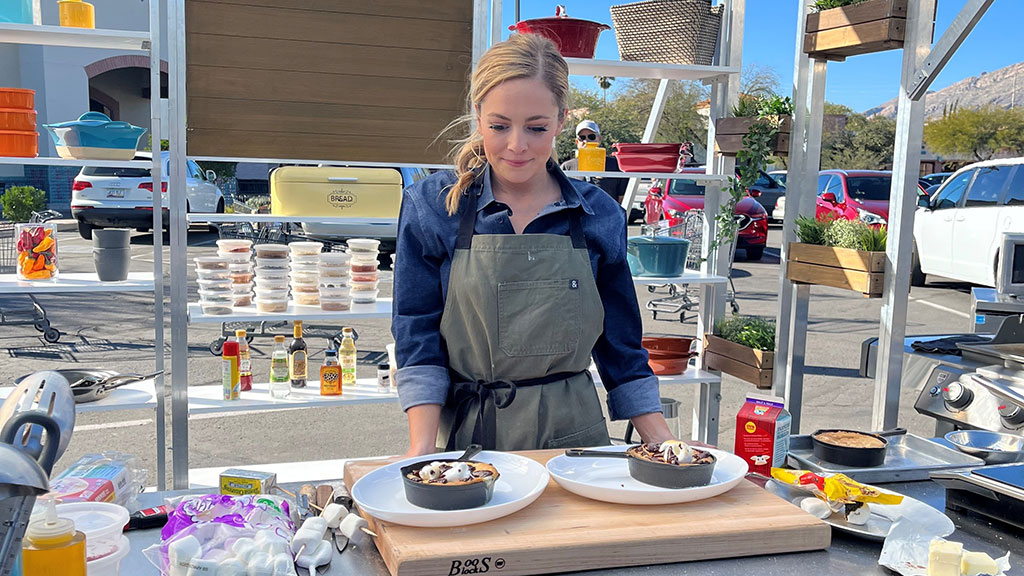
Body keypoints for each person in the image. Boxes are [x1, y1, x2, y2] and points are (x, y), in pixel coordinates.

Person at [391, 33, 673, 457]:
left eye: (536, 127)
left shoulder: (599, 215)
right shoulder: (433, 208)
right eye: (499, 126)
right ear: (478, 115)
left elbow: (620, 345)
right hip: (468, 443)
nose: (517, 145)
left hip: (576, 445)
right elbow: (418, 335)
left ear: (562, 121)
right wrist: (423, 452)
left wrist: (663, 443)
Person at [560, 120, 629, 203]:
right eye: (582, 138)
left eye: (591, 137)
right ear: (577, 142)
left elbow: (622, 200)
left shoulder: (615, 165)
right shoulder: (567, 167)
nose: (586, 141)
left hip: (607, 214)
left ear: (599, 139)